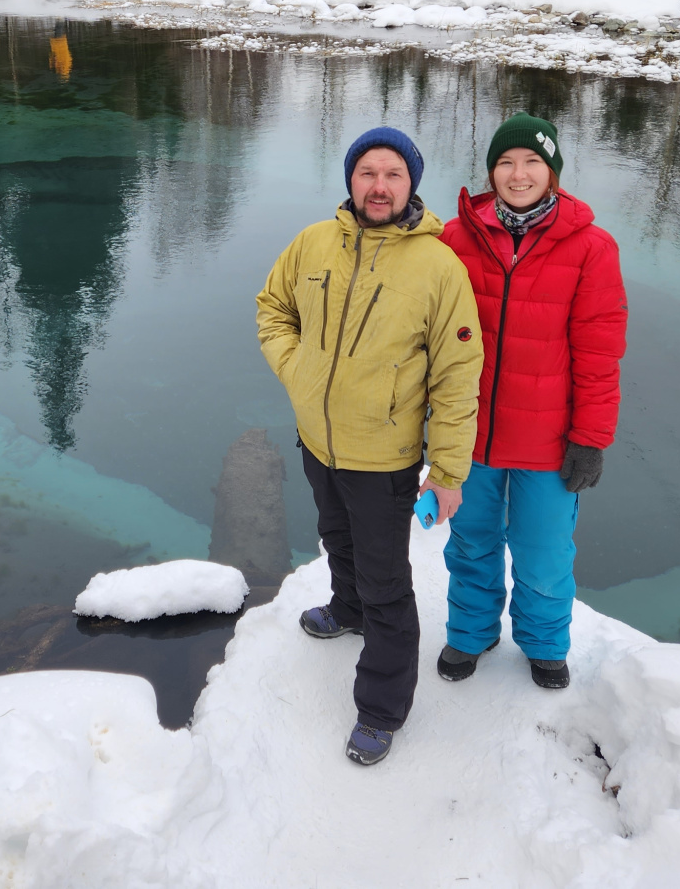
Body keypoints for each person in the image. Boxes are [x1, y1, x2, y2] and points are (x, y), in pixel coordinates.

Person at [256, 127, 483, 765]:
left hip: (383, 456)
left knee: (387, 580)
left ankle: (382, 707)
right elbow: (272, 306)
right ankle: (345, 607)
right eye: (367, 173)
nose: (378, 186)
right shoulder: (314, 242)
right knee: (337, 538)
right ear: (351, 180)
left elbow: (457, 376)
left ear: (411, 184)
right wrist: (298, 370)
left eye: (392, 175)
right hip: (318, 441)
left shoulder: (439, 267)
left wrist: (448, 470)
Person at [436, 113, 628, 691]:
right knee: (471, 543)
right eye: (505, 162)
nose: (518, 175)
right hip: (471, 435)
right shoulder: (456, 237)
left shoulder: (591, 247)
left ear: (552, 172)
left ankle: (544, 643)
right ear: (491, 171)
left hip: (548, 442)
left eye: (531, 163)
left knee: (543, 551)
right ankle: (470, 633)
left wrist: (590, 439)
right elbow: (431, 336)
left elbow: (599, 353)